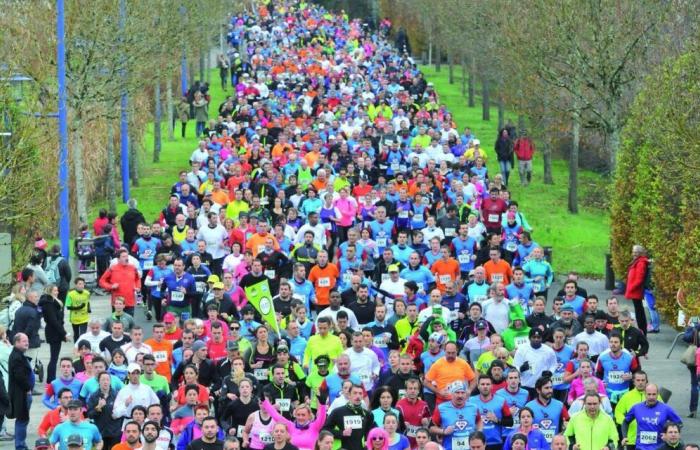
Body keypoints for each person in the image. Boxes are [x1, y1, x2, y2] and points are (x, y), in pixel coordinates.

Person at [622, 384, 682, 450]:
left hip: (659, 448)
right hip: (640, 447)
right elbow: (625, 422)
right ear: (645, 394)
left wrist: (668, 435)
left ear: (657, 394)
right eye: (649, 394)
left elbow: (679, 423)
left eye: (654, 394)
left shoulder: (666, 409)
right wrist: (625, 437)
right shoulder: (636, 408)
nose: (651, 397)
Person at [429, 381, 483, 450]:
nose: (460, 395)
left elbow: (479, 421)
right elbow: (431, 428)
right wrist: (443, 431)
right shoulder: (441, 408)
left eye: (462, 393)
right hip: (449, 447)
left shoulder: (473, 407)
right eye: (457, 392)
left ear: (466, 394)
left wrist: (479, 432)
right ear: (451, 393)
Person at [323, 383, 373, 450]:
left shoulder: (367, 414)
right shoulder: (338, 412)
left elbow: (368, 432)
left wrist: (367, 443)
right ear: (349, 395)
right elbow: (325, 430)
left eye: (360, 393)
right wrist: (341, 433)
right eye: (355, 393)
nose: (358, 396)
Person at [9, 333, 34, 450]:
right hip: (21, 394)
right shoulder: (17, 357)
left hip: (23, 393)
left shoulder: (19, 354)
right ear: (17, 342)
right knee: (22, 419)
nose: (27, 343)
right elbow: (19, 376)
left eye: (27, 340)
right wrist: (28, 388)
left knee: (23, 419)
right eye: (24, 341)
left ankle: (21, 445)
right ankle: (20, 446)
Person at [39, 284, 69, 383]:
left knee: (54, 357)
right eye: (55, 290)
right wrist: (64, 333)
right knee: (54, 358)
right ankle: (50, 380)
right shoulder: (49, 303)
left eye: (57, 290)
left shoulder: (52, 302)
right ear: (50, 291)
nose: (57, 292)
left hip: (54, 331)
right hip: (53, 332)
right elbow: (53, 321)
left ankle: (51, 379)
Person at [86, 371, 121, 450]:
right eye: (103, 380)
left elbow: (122, 412)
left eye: (107, 379)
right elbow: (90, 415)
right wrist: (98, 408)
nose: (105, 382)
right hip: (100, 432)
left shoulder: (117, 395)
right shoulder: (94, 396)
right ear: (99, 381)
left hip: (115, 432)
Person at [625, 244, 651, 335]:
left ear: (640, 253)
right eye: (633, 252)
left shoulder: (641, 263)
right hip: (635, 290)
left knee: (639, 312)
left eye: (636, 252)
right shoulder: (638, 261)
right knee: (638, 310)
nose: (634, 254)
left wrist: (631, 287)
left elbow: (640, 278)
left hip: (636, 290)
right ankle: (642, 330)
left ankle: (642, 330)